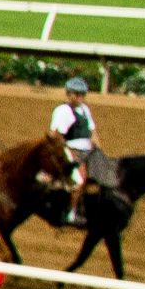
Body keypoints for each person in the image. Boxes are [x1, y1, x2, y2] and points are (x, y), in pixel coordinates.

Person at [49, 76, 103, 225]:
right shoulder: (63, 111)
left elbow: (92, 131)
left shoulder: (85, 110)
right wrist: (70, 153)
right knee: (79, 182)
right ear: (69, 94)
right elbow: (58, 136)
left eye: (82, 95)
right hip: (71, 150)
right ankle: (70, 214)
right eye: (76, 94)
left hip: (87, 151)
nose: (80, 97)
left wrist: (98, 148)